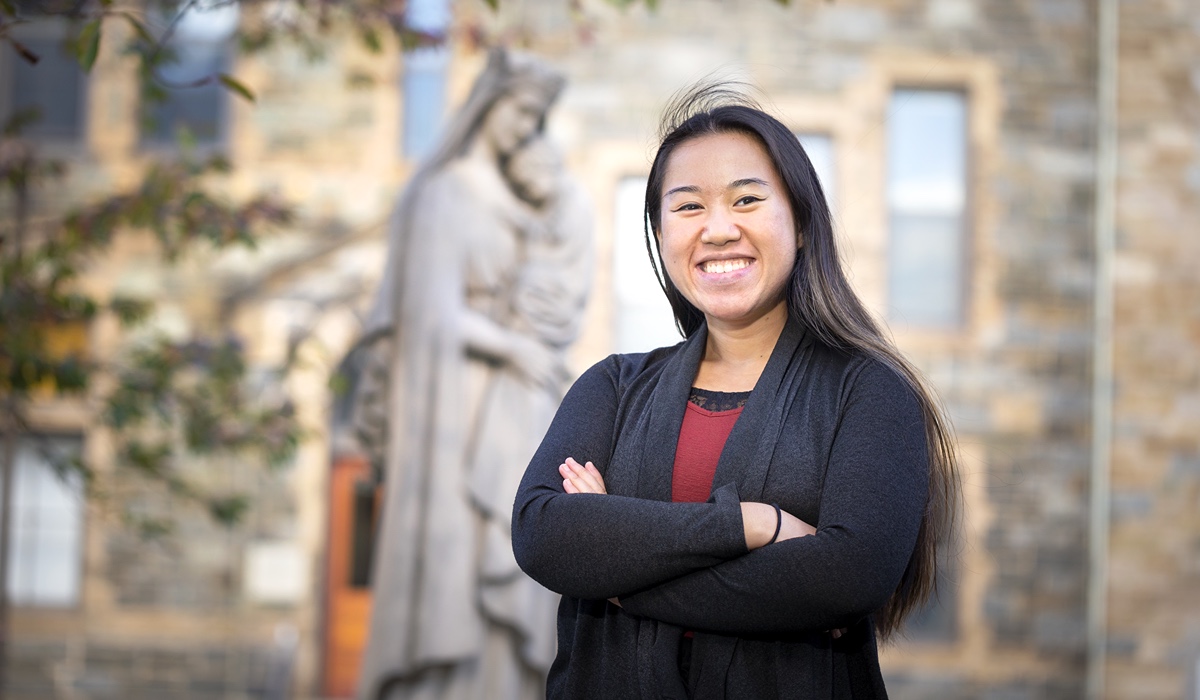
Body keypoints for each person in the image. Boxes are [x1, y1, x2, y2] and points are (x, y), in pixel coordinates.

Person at [511, 85, 961, 699]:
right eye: (688, 207)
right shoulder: (614, 388)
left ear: (801, 223)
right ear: (662, 235)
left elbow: (847, 576)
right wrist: (753, 525)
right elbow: (543, 534)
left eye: (747, 199)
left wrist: (618, 572)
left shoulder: (869, 394)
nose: (718, 230)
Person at [352, 49, 588, 700]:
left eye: (537, 119)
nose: (525, 129)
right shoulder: (443, 193)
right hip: (452, 403)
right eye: (519, 112)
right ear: (488, 104)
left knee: (515, 553)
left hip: (515, 407)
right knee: (458, 562)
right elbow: (432, 312)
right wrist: (513, 349)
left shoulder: (528, 200)